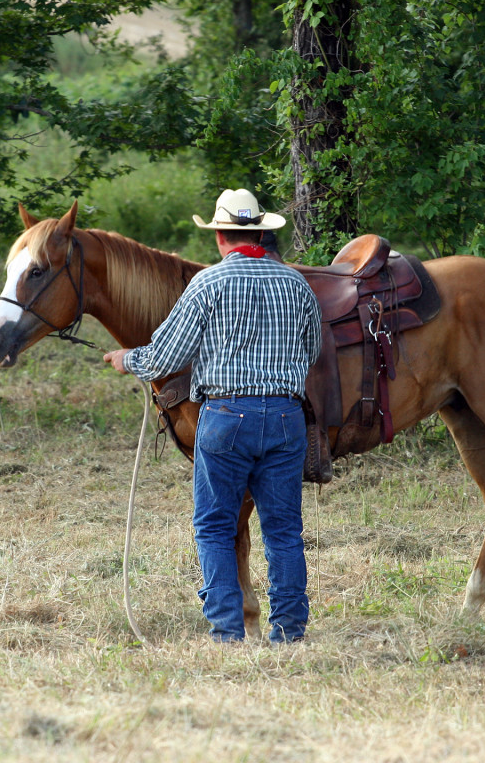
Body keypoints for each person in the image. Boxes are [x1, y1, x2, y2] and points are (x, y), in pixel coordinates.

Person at [104, 188, 322, 643]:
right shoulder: (296, 284)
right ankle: (289, 631)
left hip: (225, 417)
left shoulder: (207, 284)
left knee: (215, 525)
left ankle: (226, 630)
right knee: (283, 529)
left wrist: (129, 359)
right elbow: (312, 349)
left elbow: (165, 355)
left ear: (221, 236)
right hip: (286, 416)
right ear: (260, 233)